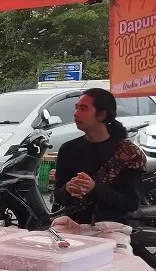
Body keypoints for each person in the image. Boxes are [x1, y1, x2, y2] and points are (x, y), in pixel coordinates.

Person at [52, 88, 145, 248]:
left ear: (102, 115)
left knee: (117, 264)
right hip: (71, 226)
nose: (75, 113)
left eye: (83, 108)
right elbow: (58, 198)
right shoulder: (68, 150)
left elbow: (130, 203)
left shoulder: (128, 153)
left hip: (112, 229)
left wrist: (94, 189)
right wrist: (67, 189)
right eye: (76, 107)